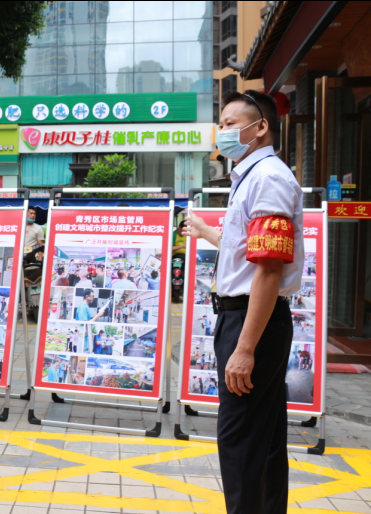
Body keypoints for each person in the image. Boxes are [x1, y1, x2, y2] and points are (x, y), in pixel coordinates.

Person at [182, 90, 304, 514]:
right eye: (223, 123)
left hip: (253, 322)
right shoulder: (251, 177)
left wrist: (245, 348)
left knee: (239, 441)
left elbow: (269, 270)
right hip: (251, 318)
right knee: (264, 439)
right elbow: (248, 251)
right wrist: (205, 232)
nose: (224, 131)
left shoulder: (267, 177)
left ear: (260, 127)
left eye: (232, 123)